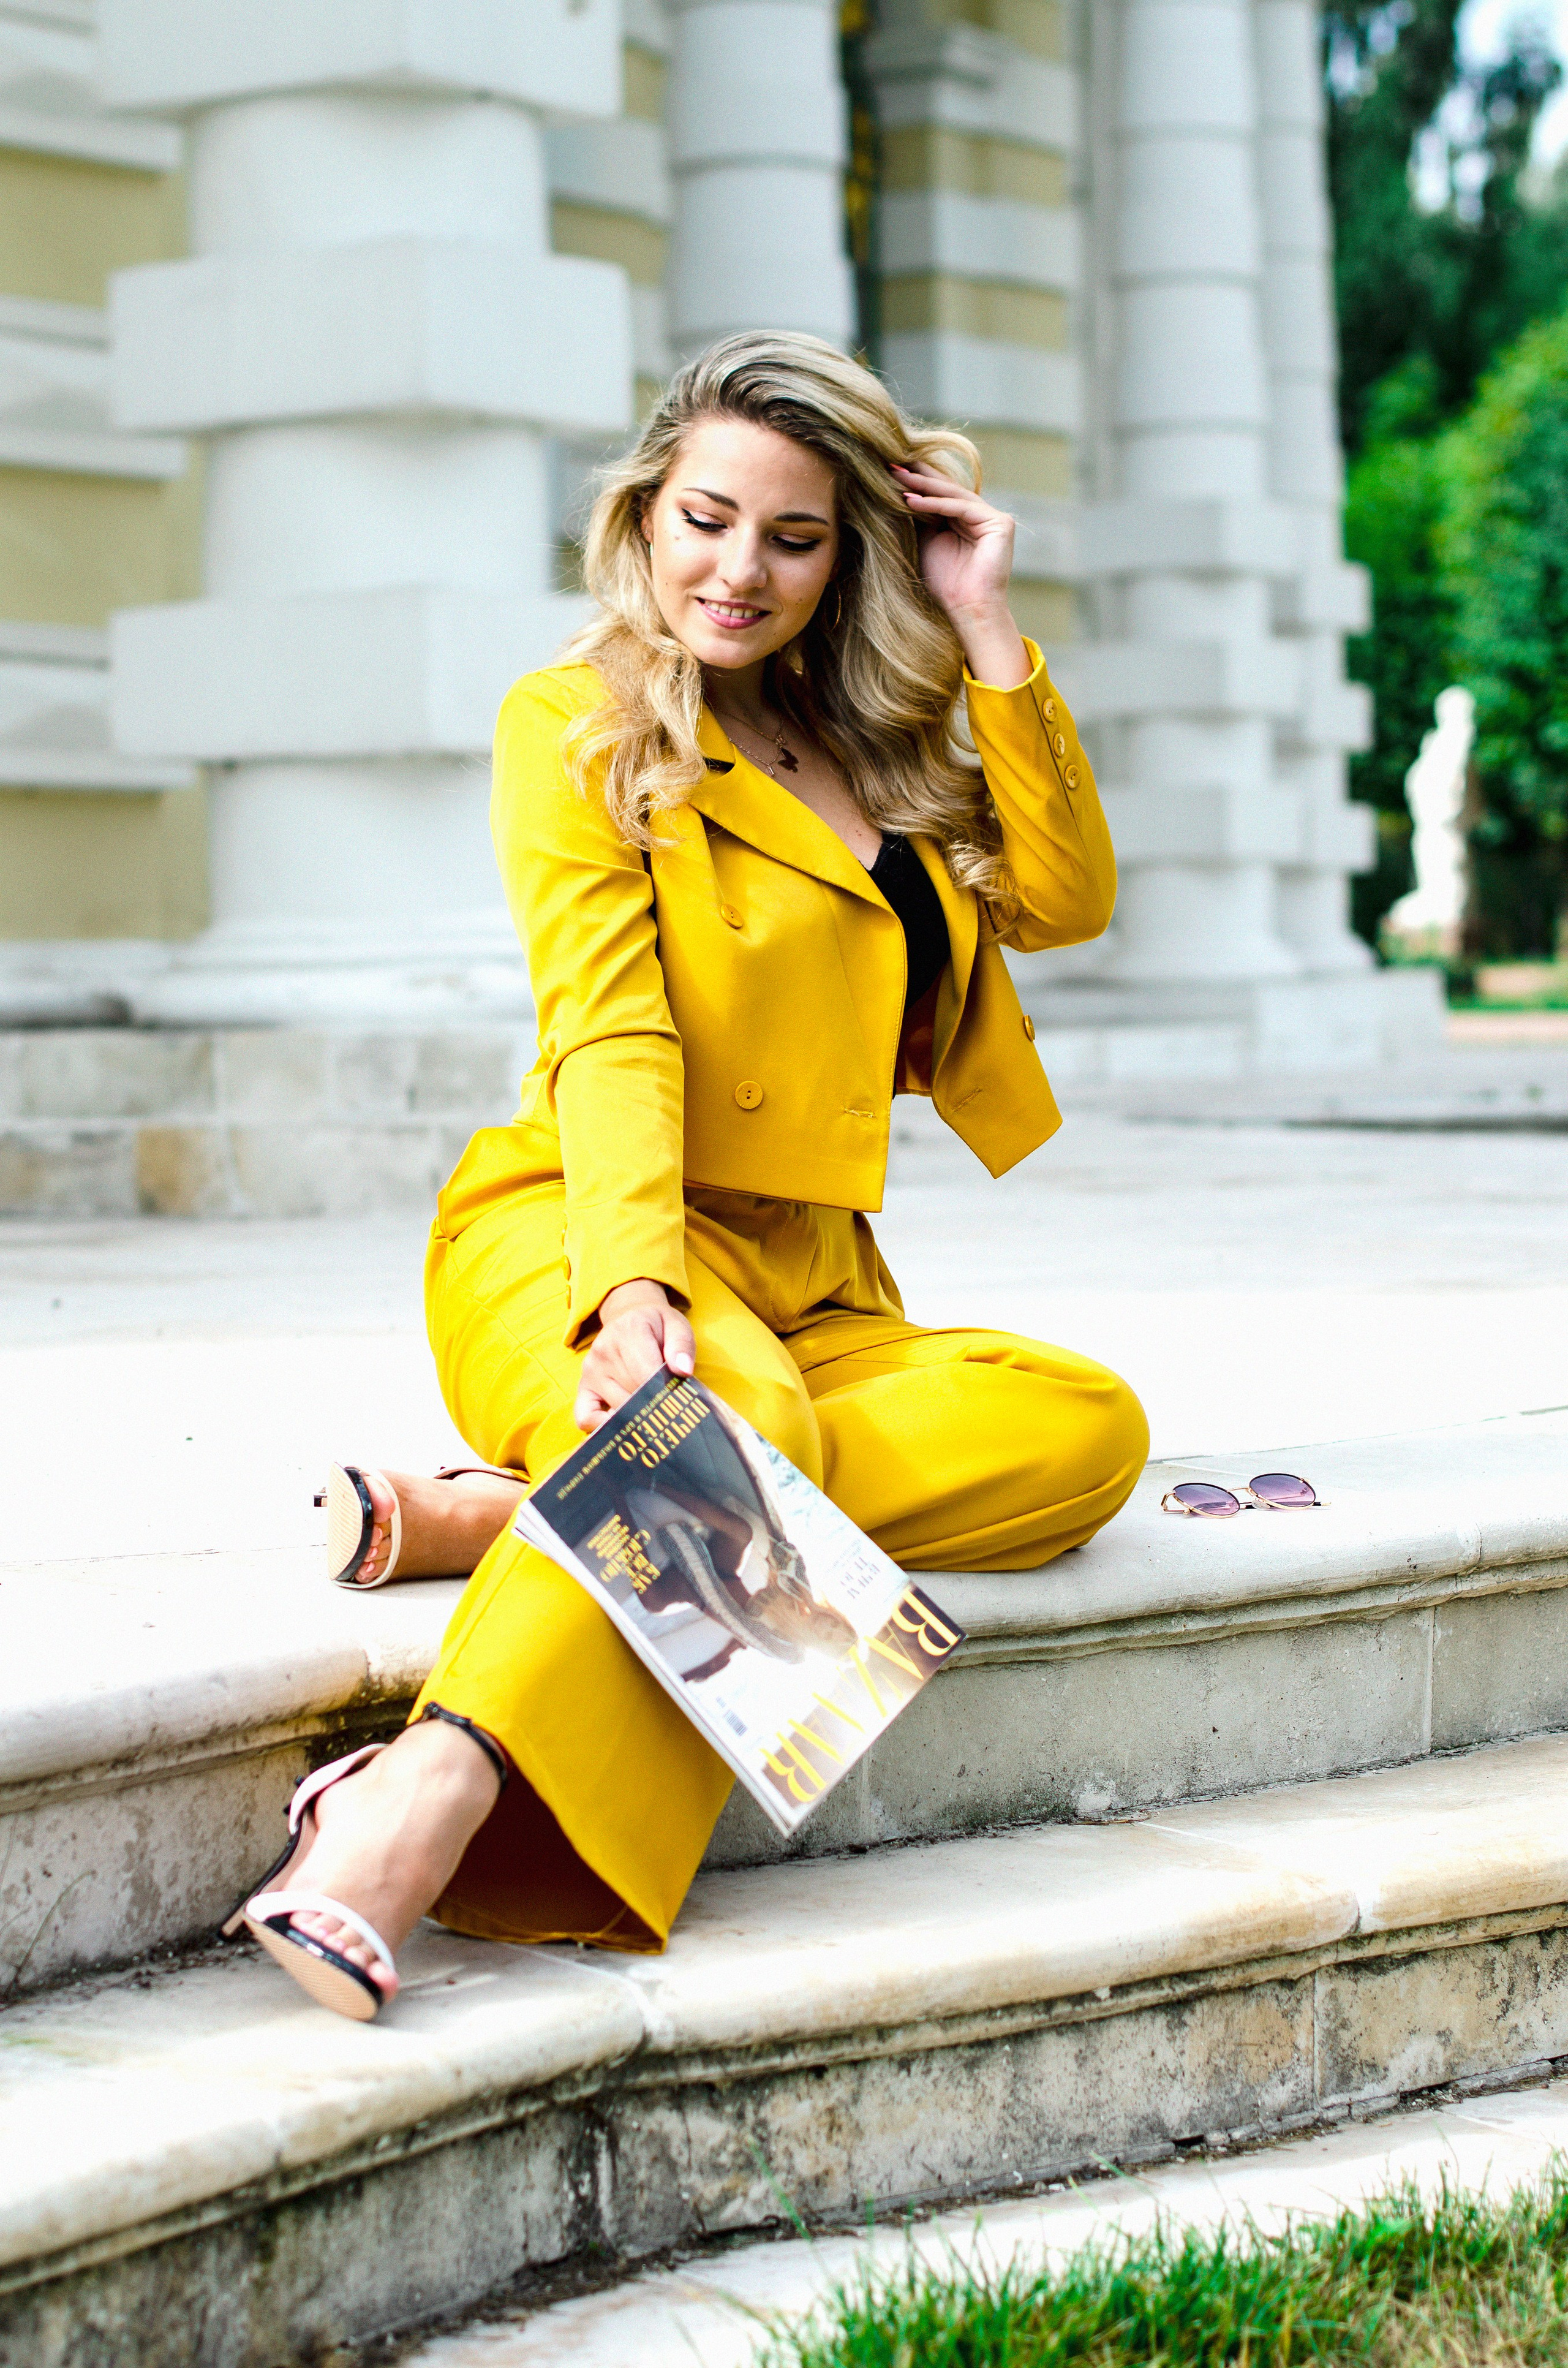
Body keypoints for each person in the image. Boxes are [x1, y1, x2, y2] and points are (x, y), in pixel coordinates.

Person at [233, 332, 1150, 2022]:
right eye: (709, 520)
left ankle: (549, 1514)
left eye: (795, 538)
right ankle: (416, 1796)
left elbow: (1069, 893)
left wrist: (988, 620)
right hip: (581, 1225)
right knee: (741, 1440)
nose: (741, 571)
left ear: (849, 553)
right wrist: (633, 1286)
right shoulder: (576, 720)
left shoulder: (879, 743)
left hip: (813, 1287)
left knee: (1085, 1431)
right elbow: (613, 1031)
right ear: (647, 513)